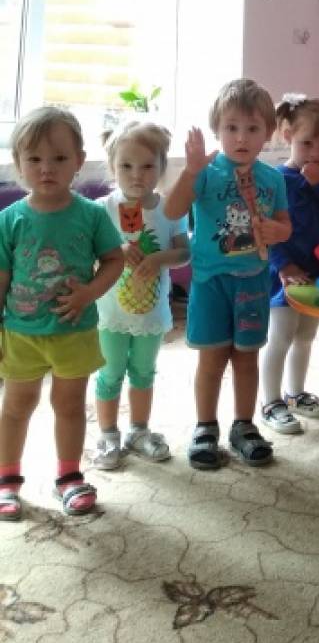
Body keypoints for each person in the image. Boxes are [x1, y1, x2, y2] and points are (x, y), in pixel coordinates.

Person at [0, 106, 124, 520]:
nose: (46, 168)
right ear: (18, 163)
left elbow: (114, 260)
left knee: (70, 406)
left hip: (74, 331)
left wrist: (89, 292)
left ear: (78, 161)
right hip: (21, 332)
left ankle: (69, 477)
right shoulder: (9, 220)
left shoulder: (91, 215)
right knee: (16, 406)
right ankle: (7, 480)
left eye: (58, 158)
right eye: (34, 158)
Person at [164, 78, 291, 470]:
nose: (241, 137)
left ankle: (244, 426)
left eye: (252, 128)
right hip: (210, 283)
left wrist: (278, 230)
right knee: (211, 359)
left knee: (247, 358)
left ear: (268, 133)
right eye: (231, 127)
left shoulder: (273, 178)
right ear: (217, 130)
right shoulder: (205, 173)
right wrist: (190, 172)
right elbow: (172, 211)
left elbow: (285, 225)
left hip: (253, 281)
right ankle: (205, 427)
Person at [93, 121, 190, 470]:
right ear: (112, 167)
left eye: (148, 165)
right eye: (126, 166)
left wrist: (159, 258)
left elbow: (184, 252)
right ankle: (107, 435)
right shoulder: (101, 209)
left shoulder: (171, 209)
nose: (137, 175)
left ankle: (138, 430)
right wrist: (116, 249)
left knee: (144, 373)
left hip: (151, 313)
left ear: (162, 166)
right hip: (110, 314)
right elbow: (88, 254)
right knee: (109, 374)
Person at [259, 95, 319, 435]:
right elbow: (267, 230)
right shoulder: (275, 179)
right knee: (280, 337)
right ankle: (271, 402)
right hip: (284, 272)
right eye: (306, 143)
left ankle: (295, 394)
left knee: (306, 337)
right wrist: (283, 267)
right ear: (288, 136)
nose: (315, 153)